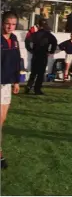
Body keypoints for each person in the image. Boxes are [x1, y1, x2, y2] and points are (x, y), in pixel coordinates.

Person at [1, 11, 22, 169]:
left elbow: (17, 61)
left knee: (2, 120)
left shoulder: (14, 40)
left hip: (7, 84)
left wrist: (17, 81)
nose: (10, 26)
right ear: (2, 22)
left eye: (13, 24)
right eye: (8, 23)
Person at [25, 19, 57, 95]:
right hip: (43, 55)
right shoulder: (49, 35)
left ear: (39, 26)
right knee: (40, 73)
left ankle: (28, 87)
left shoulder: (34, 34)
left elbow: (27, 41)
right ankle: (37, 89)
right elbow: (55, 42)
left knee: (33, 73)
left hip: (35, 55)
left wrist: (30, 50)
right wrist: (51, 51)